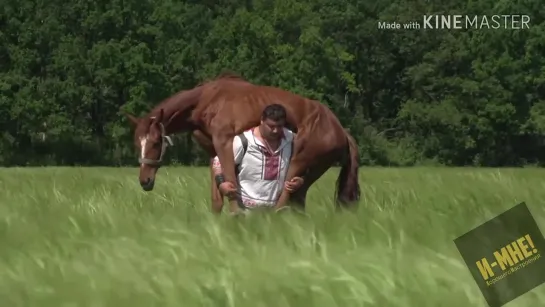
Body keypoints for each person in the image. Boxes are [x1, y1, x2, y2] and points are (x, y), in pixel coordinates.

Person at [212, 104, 304, 214]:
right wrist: (221, 183)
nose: (275, 131)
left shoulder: (292, 140)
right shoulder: (243, 141)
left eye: (279, 126)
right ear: (262, 121)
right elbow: (218, 162)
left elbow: (302, 164)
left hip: (278, 211)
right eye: (271, 126)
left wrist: (300, 180)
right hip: (245, 210)